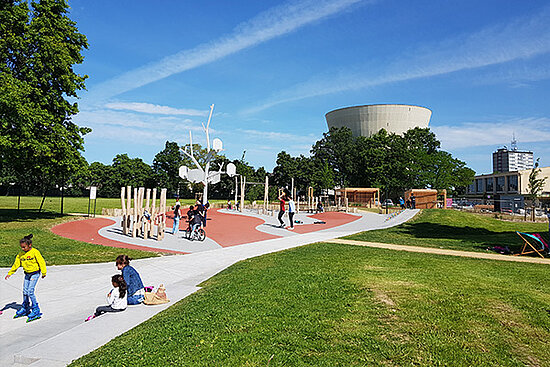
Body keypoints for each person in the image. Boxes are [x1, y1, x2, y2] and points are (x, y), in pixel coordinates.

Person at [5, 234, 47, 322]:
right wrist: (10, 273)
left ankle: (36, 310)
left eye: (24, 247)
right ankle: (25, 307)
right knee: (24, 292)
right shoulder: (21, 255)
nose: (23, 249)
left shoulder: (35, 252)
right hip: (27, 274)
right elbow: (16, 264)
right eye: (22, 247)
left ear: (29, 245)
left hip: (35, 274)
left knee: (30, 292)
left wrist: (44, 272)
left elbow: (41, 261)